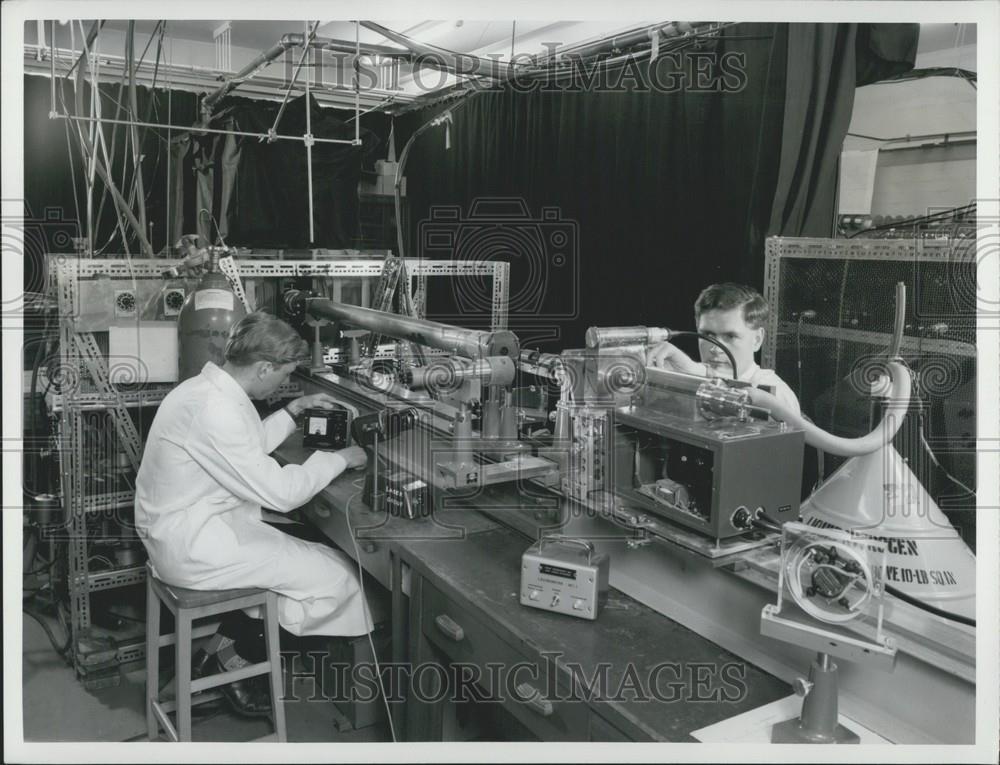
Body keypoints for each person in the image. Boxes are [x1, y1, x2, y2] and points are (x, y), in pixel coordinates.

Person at [135, 311, 370, 716]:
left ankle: (224, 651)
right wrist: (342, 458)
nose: (284, 382)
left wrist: (295, 410)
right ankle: (238, 662)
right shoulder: (216, 409)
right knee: (341, 577)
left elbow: (244, 448)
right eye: (284, 375)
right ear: (264, 368)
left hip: (191, 526)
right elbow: (281, 493)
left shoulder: (209, 390)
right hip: (192, 544)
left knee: (313, 553)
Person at [646, 282, 801, 415]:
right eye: (707, 334)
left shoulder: (776, 393)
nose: (715, 349)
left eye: (730, 336)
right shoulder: (689, 371)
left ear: (757, 339)